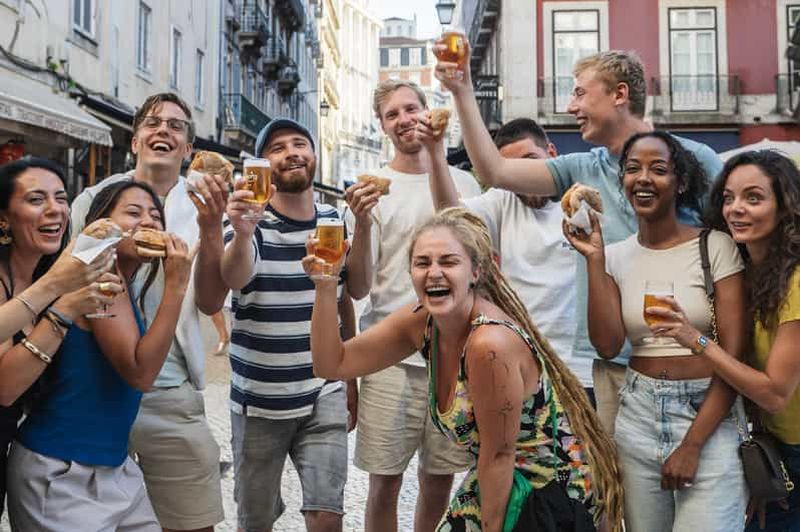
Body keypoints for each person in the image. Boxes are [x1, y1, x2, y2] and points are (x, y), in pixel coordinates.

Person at [435, 48, 723, 433]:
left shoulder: (696, 161)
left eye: (580, 94)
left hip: (687, 361)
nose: (571, 106)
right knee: (617, 489)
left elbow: (733, 253)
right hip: (610, 364)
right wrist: (462, 90)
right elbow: (496, 170)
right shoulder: (581, 167)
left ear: (619, 95)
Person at [306, 207, 623, 532]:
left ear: (476, 272)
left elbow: (499, 454)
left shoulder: (489, 345)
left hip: (552, 489)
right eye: (422, 262)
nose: (434, 272)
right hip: (505, 474)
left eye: (449, 261)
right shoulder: (423, 322)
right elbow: (332, 363)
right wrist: (326, 284)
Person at [564, 131, 747, 531]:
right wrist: (594, 260)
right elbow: (609, 345)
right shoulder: (613, 256)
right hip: (639, 414)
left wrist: (693, 444)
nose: (643, 178)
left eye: (658, 169)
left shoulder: (715, 247)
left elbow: (734, 359)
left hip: (708, 416)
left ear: (681, 183)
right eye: (632, 169)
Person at [70, 93, 227, 532]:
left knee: (193, 524)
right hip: (99, 390)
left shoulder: (205, 208)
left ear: (188, 150)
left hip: (171, 391)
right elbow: (70, 281)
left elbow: (213, 303)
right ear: (135, 139)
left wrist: (213, 229)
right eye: (153, 123)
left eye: (176, 126)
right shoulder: (94, 200)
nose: (164, 130)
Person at [7, 180, 192, 531]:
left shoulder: (124, 279)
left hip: (114, 468)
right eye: (133, 213)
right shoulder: (100, 276)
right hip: (62, 473)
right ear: (101, 225)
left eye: (156, 215)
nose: (149, 222)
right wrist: (177, 287)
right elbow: (141, 373)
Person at [343, 79, 481, 532]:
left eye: (410, 109)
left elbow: (472, 249)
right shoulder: (369, 190)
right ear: (381, 126)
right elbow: (360, 287)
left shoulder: (463, 182)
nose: (404, 120)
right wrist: (361, 223)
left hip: (454, 355)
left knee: (440, 477)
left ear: (427, 112)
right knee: (384, 480)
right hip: (390, 356)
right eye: (392, 114)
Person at [218, 118, 362, 532]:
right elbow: (236, 278)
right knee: (256, 519)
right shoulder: (245, 220)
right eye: (277, 148)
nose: (292, 152)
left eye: (300, 144)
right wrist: (244, 233)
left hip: (323, 391)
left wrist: (349, 378)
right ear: (263, 165)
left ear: (314, 156)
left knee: (326, 513)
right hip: (258, 399)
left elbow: (343, 300)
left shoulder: (333, 219)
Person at [651, 150, 800, 531]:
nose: (736, 209)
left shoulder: (796, 282)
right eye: (729, 197)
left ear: (786, 207)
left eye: (754, 198)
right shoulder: (749, 272)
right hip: (773, 445)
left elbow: (774, 393)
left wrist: (695, 339)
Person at [423, 117, 582, 388]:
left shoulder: (581, 200)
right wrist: (436, 155)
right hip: (521, 363)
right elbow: (451, 215)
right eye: (511, 166)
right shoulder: (502, 199)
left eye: (530, 159)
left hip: (581, 367)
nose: (523, 173)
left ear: (552, 153)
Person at [0, 157, 119, 519]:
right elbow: (5, 387)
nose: (55, 210)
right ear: (3, 219)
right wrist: (62, 299)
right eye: (36, 200)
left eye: (61, 198)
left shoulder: (50, 274)